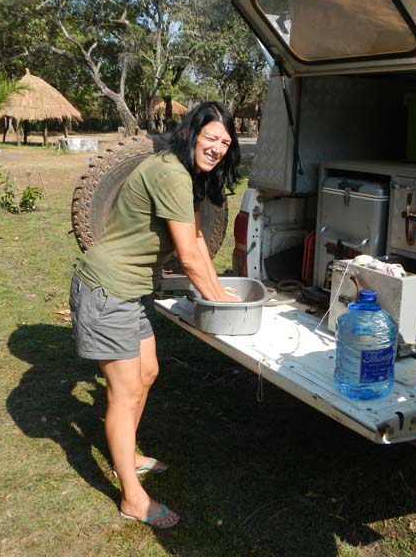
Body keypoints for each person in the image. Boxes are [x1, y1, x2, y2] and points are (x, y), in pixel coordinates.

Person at [69, 101, 242, 529]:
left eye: (225, 141)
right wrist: (221, 308)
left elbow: (198, 238)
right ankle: (132, 497)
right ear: (192, 133)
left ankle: (129, 454)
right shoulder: (170, 173)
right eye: (211, 137)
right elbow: (187, 256)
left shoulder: (184, 175)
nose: (217, 147)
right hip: (108, 290)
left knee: (147, 373)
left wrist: (222, 294)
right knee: (124, 392)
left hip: (133, 288)